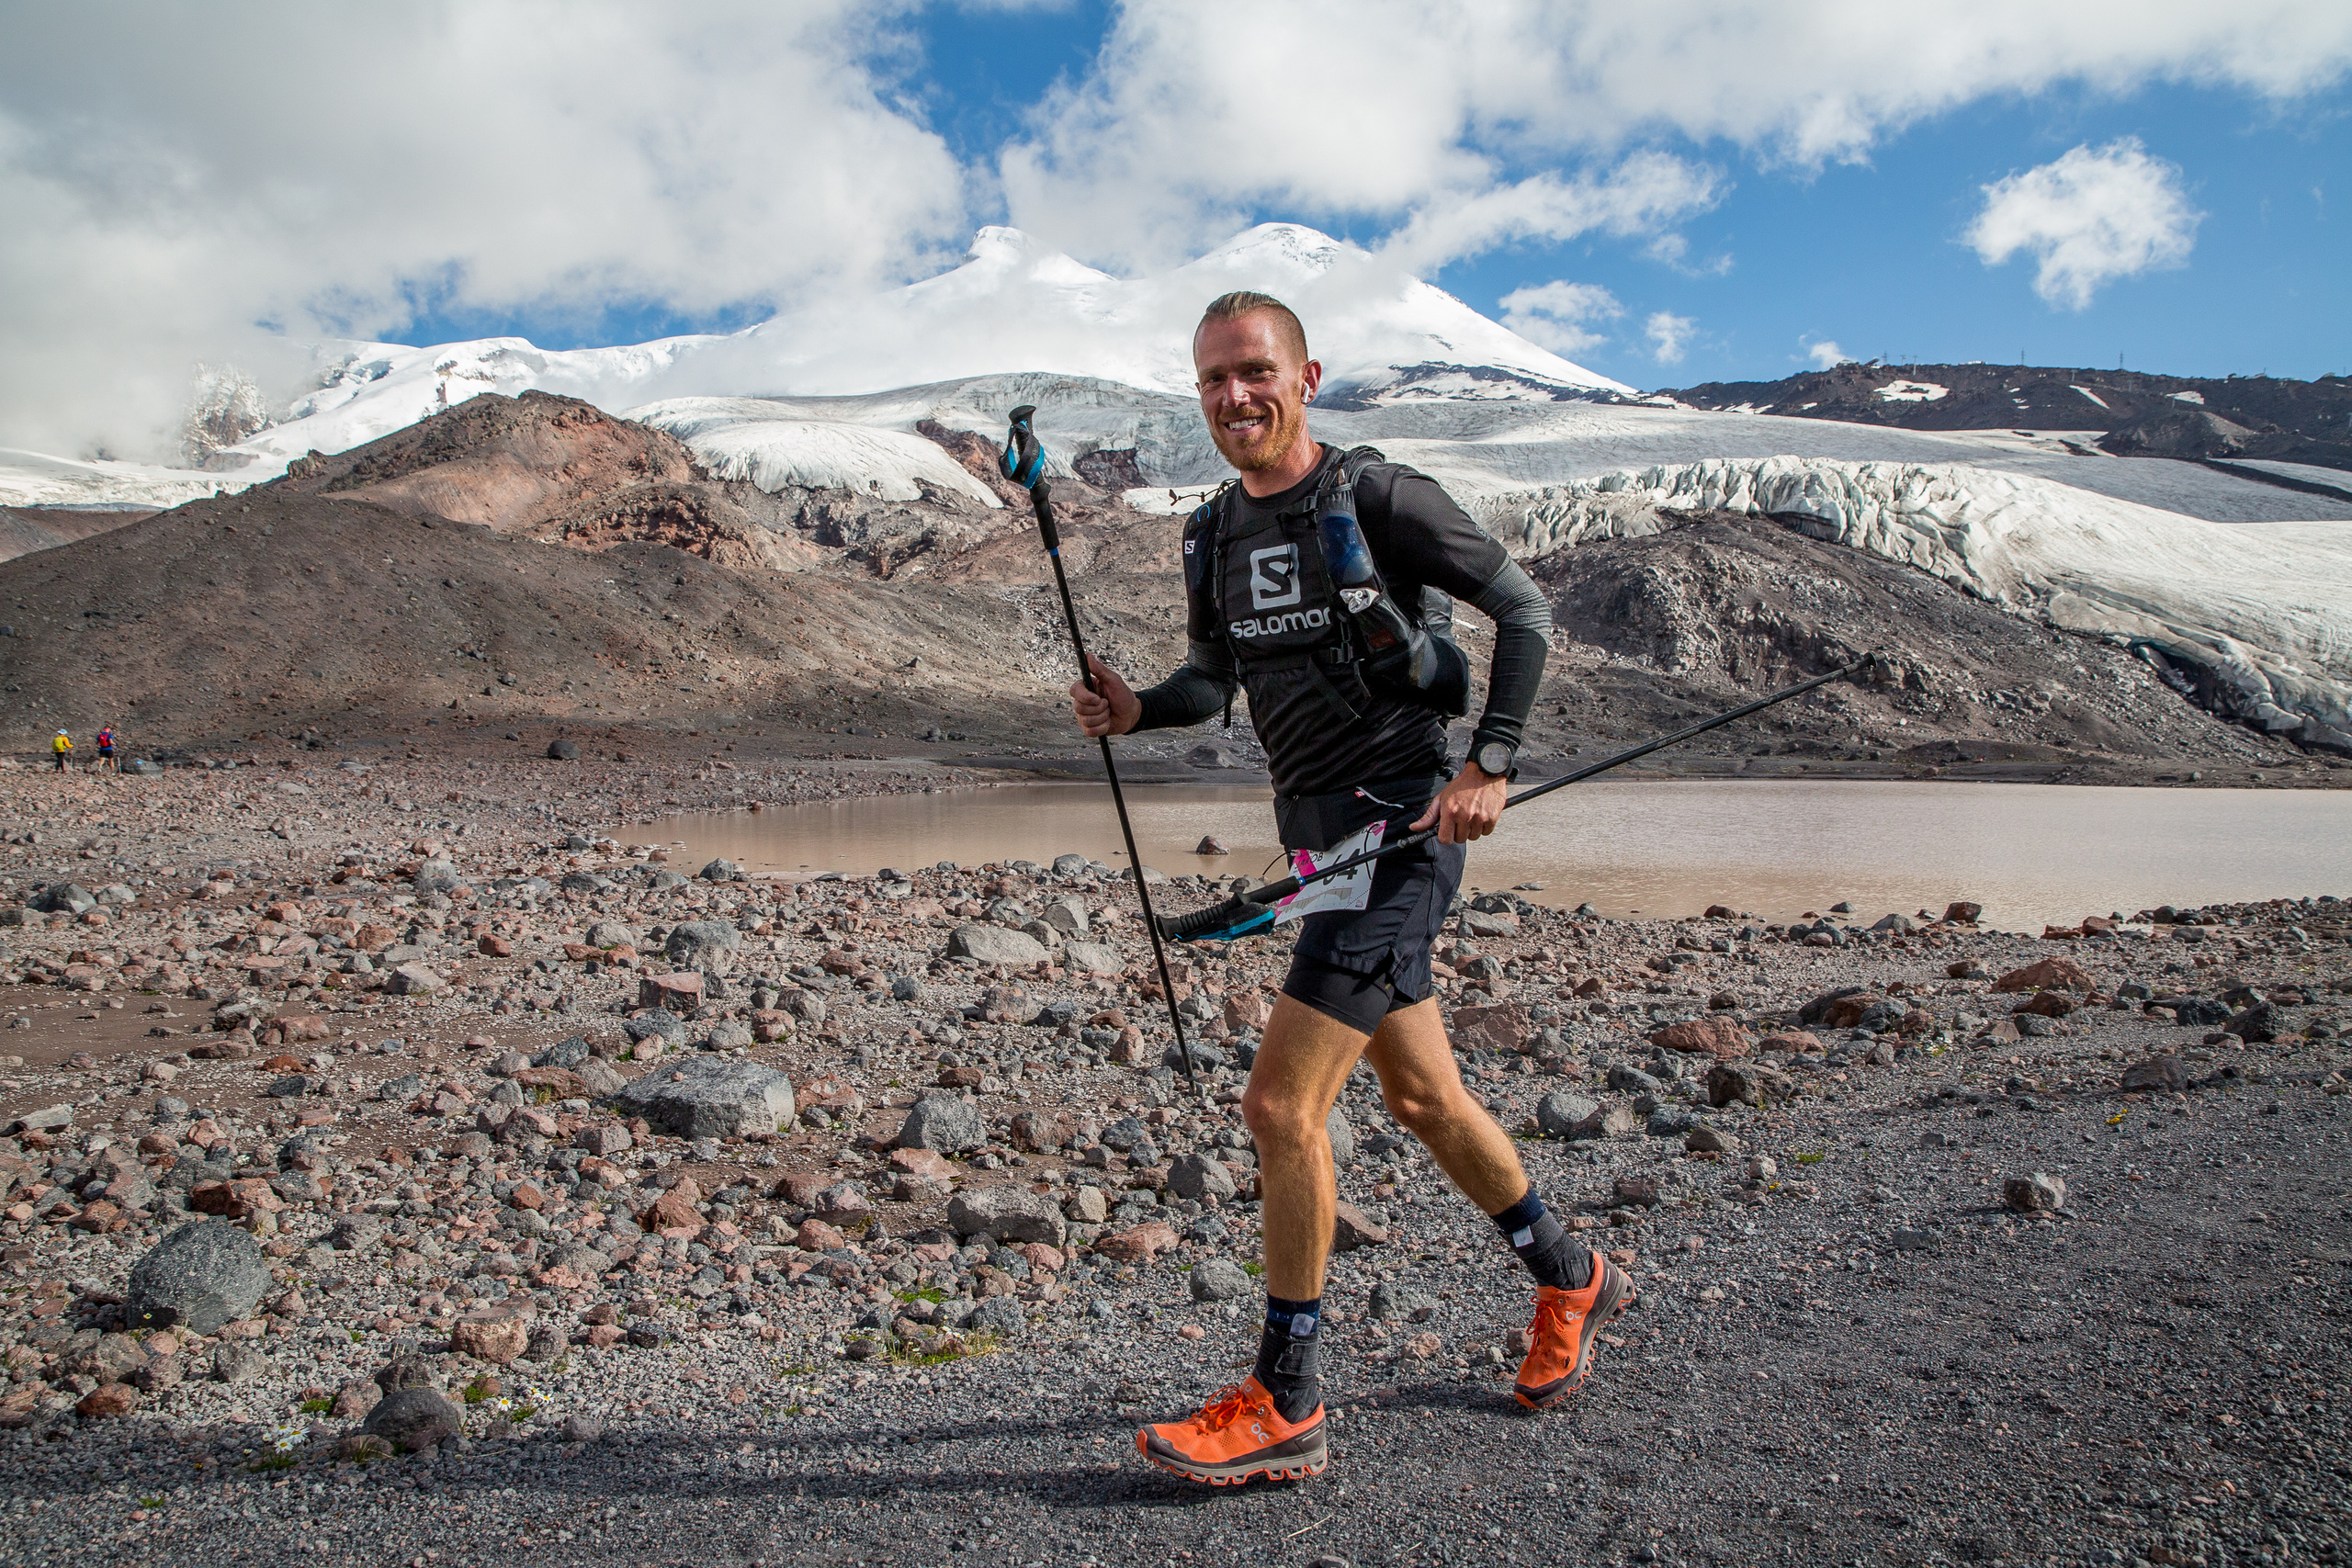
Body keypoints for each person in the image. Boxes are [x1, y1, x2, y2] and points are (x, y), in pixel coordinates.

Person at [1070, 291, 1634, 1487]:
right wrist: (1135, 711)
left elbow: (1522, 613)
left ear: (1306, 376)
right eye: (1214, 379)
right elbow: (1210, 684)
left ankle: (1287, 1402)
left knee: (1281, 1108)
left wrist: (1492, 760)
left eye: (1255, 372)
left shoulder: (1381, 500)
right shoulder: (1213, 532)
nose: (1235, 397)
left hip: (1407, 833)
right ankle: (1573, 1277)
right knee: (1427, 1100)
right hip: (1325, 853)